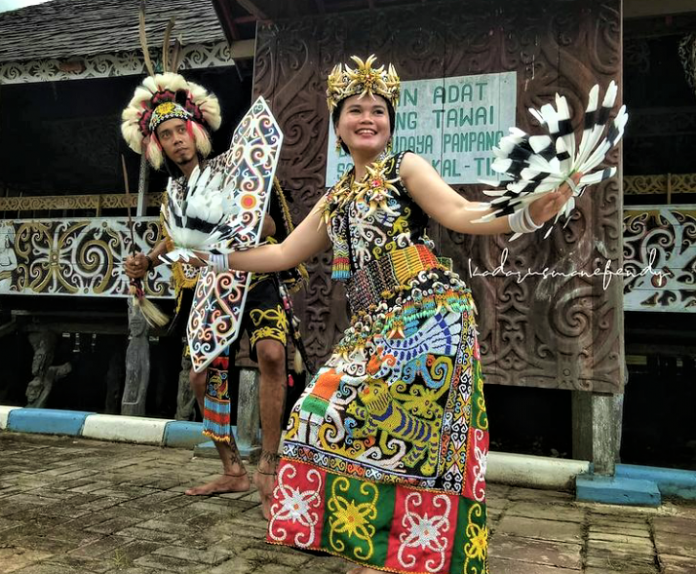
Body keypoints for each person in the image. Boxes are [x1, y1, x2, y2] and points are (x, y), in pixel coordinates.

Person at [185, 55, 577, 574]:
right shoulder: (335, 197)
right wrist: (215, 258)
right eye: (354, 110)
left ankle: (408, 551)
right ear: (338, 125)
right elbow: (282, 255)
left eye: (378, 110)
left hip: (426, 309)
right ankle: (364, 538)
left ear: (391, 122)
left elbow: (460, 213)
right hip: (373, 323)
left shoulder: (405, 166)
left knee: (412, 438)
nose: (367, 118)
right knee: (315, 417)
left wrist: (526, 211)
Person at [121, 72, 305, 520]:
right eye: (165, 135)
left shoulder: (235, 168)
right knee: (203, 379)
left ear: (196, 130)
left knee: (272, 354)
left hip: (253, 273)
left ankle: (269, 466)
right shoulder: (172, 194)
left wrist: (234, 224)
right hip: (211, 285)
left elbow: (272, 229)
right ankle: (232, 470)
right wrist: (148, 260)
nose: (176, 140)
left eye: (180, 130)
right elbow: (177, 241)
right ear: (158, 146)